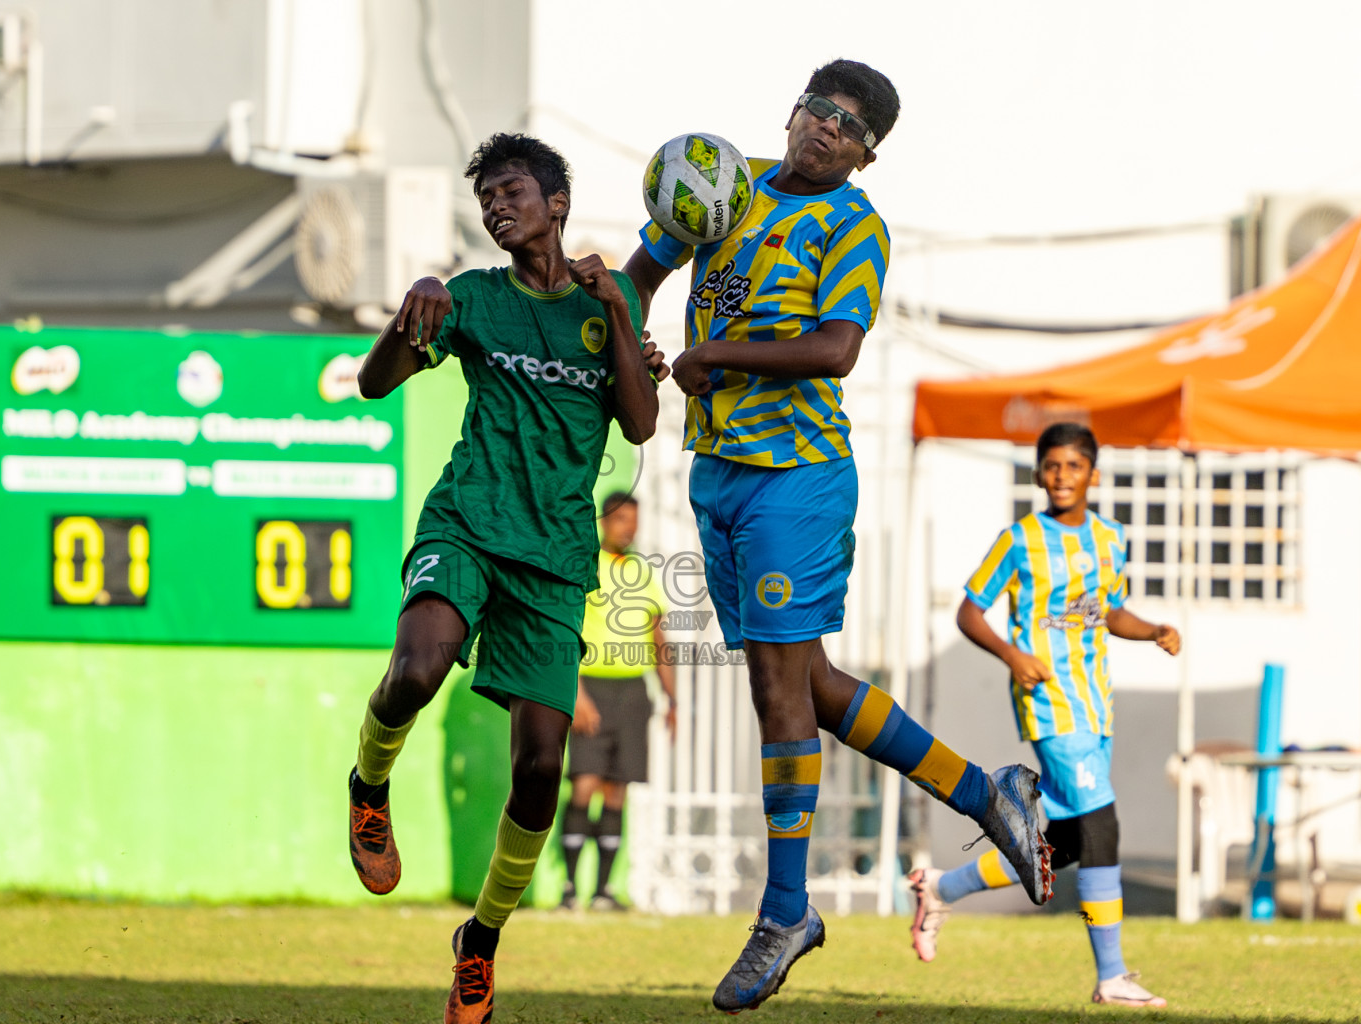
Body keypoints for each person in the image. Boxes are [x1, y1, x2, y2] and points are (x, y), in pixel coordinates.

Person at [622, 59, 1051, 1013]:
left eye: (852, 129)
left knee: (781, 694)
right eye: (820, 110)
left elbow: (835, 351)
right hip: (720, 476)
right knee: (804, 686)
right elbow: (640, 272)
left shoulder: (853, 226)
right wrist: (606, 310)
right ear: (793, 110)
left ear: (867, 157)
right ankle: (987, 794)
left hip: (799, 477)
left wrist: (712, 353)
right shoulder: (720, 187)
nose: (828, 130)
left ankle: (785, 912)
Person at [345, 132, 660, 1024]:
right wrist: (411, 310)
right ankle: (370, 789)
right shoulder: (472, 298)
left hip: (556, 561)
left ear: (557, 202)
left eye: (511, 189)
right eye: (486, 197)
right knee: (416, 670)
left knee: (539, 773)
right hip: (469, 524)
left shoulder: (609, 306)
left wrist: (625, 322)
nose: (496, 206)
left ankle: (478, 943)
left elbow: (638, 425)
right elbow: (375, 385)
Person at [907, 422, 1182, 1009]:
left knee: (1070, 839)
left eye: (1074, 466)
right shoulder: (1020, 540)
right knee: (1103, 825)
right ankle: (1112, 977)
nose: (1062, 477)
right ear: (1038, 475)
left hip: (1095, 701)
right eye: (1052, 467)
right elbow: (969, 612)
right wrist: (1012, 654)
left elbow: (1105, 612)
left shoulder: (1110, 538)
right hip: (1049, 702)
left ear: (1093, 475)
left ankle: (941, 888)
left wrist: (1153, 629)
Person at [559, 491, 676, 912]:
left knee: (616, 791)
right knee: (584, 785)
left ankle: (604, 891)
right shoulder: (584, 565)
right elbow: (566, 633)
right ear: (604, 522)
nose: (630, 527)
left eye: (635, 520)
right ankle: (570, 888)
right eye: (622, 519)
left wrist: (672, 698)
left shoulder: (642, 572)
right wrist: (576, 694)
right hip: (591, 686)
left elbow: (657, 636)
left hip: (632, 692)